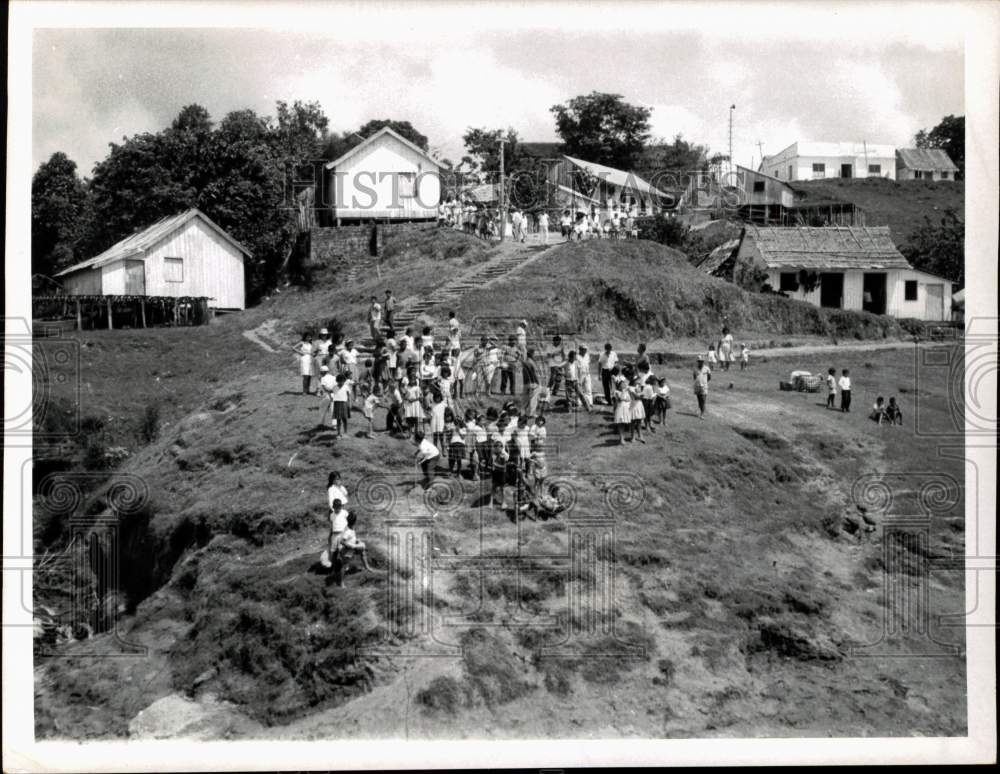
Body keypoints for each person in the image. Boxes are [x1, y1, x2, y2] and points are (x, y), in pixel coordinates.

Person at [612, 371, 631, 444]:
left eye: (624, 383)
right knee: (620, 423)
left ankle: (623, 438)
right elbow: (620, 399)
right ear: (619, 385)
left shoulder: (626, 392)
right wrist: (623, 393)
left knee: (624, 423)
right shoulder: (617, 392)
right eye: (621, 384)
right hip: (620, 409)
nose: (623, 385)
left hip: (625, 409)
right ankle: (621, 438)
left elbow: (629, 399)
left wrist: (625, 397)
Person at [546, 335, 566, 403]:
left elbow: (563, 354)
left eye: (560, 341)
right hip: (553, 364)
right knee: (553, 377)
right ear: (554, 341)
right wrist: (554, 354)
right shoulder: (550, 346)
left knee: (559, 378)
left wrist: (564, 362)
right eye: (558, 341)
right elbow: (548, 355)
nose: (559, 343)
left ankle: (555, 392)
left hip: (560, 364)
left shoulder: (561, 346)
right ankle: (547, 390)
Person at [598, 342, 618, 407]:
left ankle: (614, 400)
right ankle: (608, 401)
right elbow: (599, 364)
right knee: (606, 387)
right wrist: (599, 375)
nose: (609, 350)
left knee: (613, 386)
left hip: (612, 371)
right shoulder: (602, 354)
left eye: (610, 349)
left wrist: (614, 367)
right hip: (604, 371)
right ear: (606, 349)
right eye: (608, 349)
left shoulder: (614, 354)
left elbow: (616, 362)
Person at [578, 345, 594, 411]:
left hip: (587, 374)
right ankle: (579, 402)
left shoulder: (587, 356)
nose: (585, 351)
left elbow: (588, 364)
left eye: (585, 349)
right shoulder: (577, 357)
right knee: (579, 389)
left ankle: (589, 402)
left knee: (588, 388)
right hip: (579, 374)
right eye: (584, 349)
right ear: (580, 349)